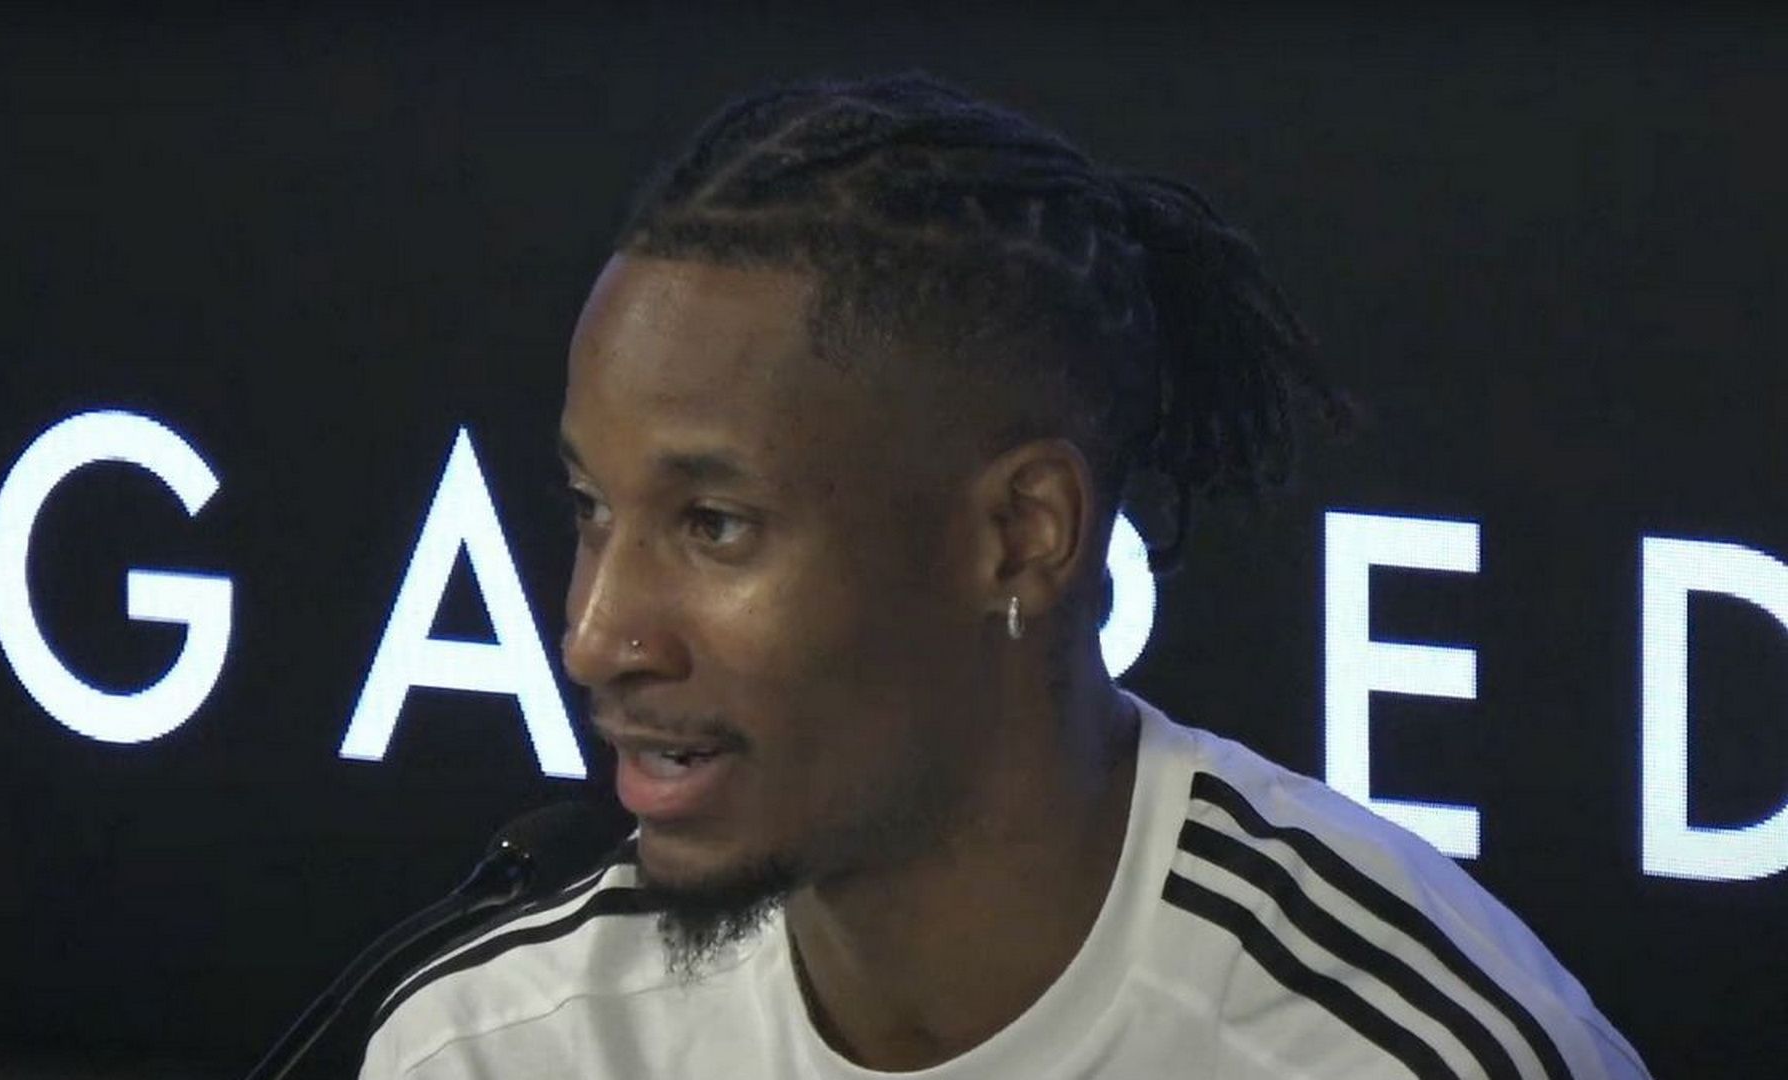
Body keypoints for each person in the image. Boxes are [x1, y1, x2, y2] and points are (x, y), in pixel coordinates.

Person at [359, 73, 1648, 1079]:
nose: (596, 636)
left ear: (1025, 535)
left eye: (716, 526)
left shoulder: (1399, 1051)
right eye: (592, 509)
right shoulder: (488, 1046)